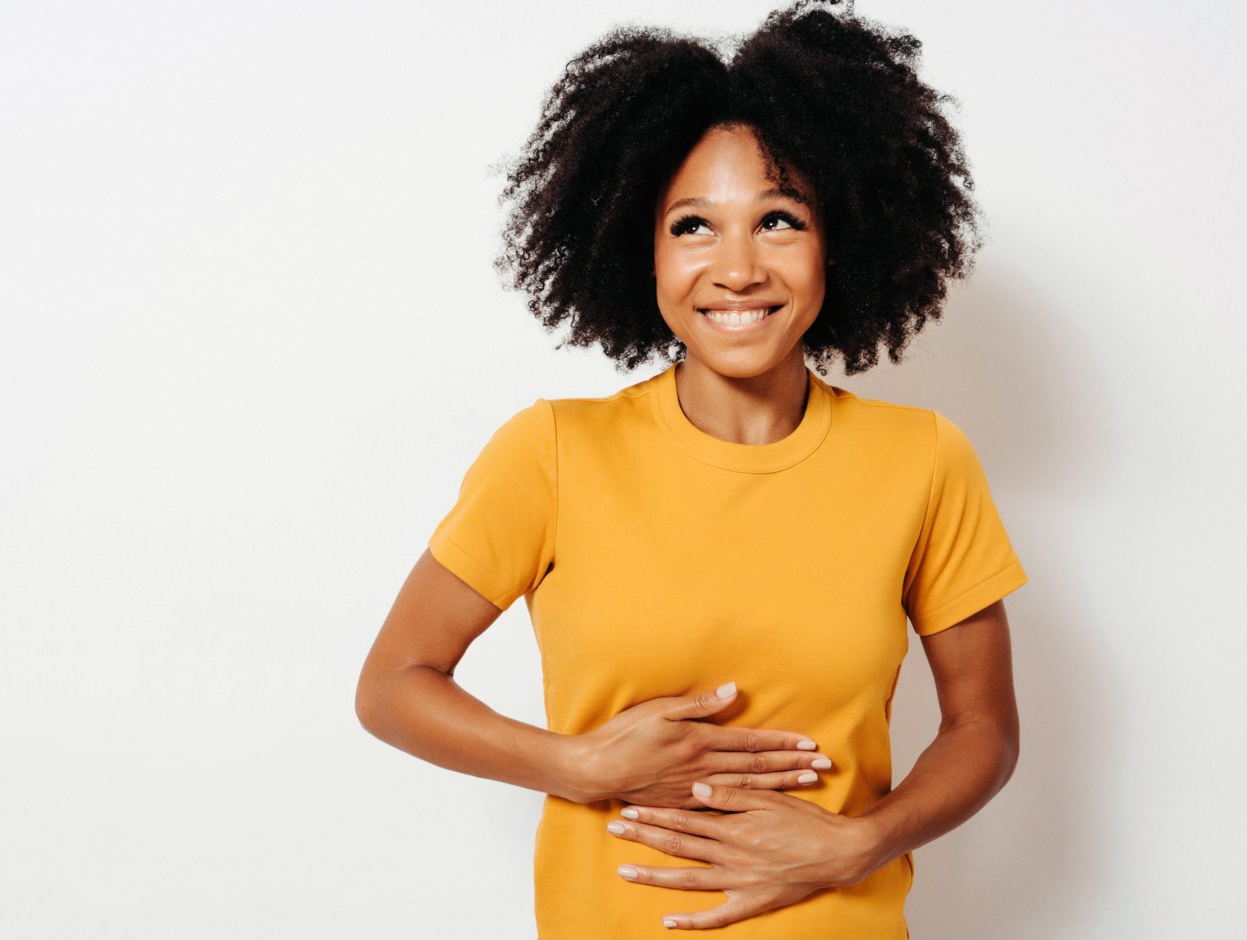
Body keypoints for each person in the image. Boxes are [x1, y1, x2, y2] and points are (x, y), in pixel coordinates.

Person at [355, 1, 1026, 935]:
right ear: (642, 248)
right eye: (693, 227)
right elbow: (393, 685)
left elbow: (982, 730)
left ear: (843, 240)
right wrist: (576, 765)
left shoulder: (923, 459)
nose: (739, 268)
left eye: (780, 220)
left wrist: (861, 841)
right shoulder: (553, 452)